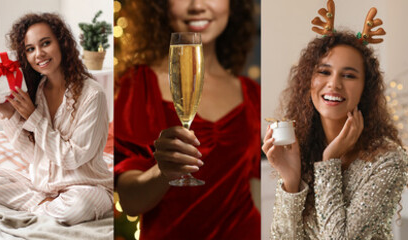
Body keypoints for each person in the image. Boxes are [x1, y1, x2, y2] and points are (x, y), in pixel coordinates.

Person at [113, 0, 260, 238]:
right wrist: (162, 171)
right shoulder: (137, 85)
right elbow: (129, 201)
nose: (197, 5)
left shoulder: (252, 94)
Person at [267, 3, 406, 238]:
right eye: (324, 71)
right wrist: (291, 182)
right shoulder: (302, 148)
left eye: (349, 75)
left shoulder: (388, 160)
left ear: (366, 89)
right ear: (307, 82)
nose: (334, 84)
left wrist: (328, 161)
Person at [0, 12, 112, 225]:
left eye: (45, 43)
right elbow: (33, 154)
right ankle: (42, 204)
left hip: (85, 185)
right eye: (30, 49)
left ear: (62, 44)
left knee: (78, 207)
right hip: (41, 185)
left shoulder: (92, 94)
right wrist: (8, 114)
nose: (39, 54)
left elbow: (72, 158)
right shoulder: (37, 90)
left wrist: (33, 117)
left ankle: (39, 206)